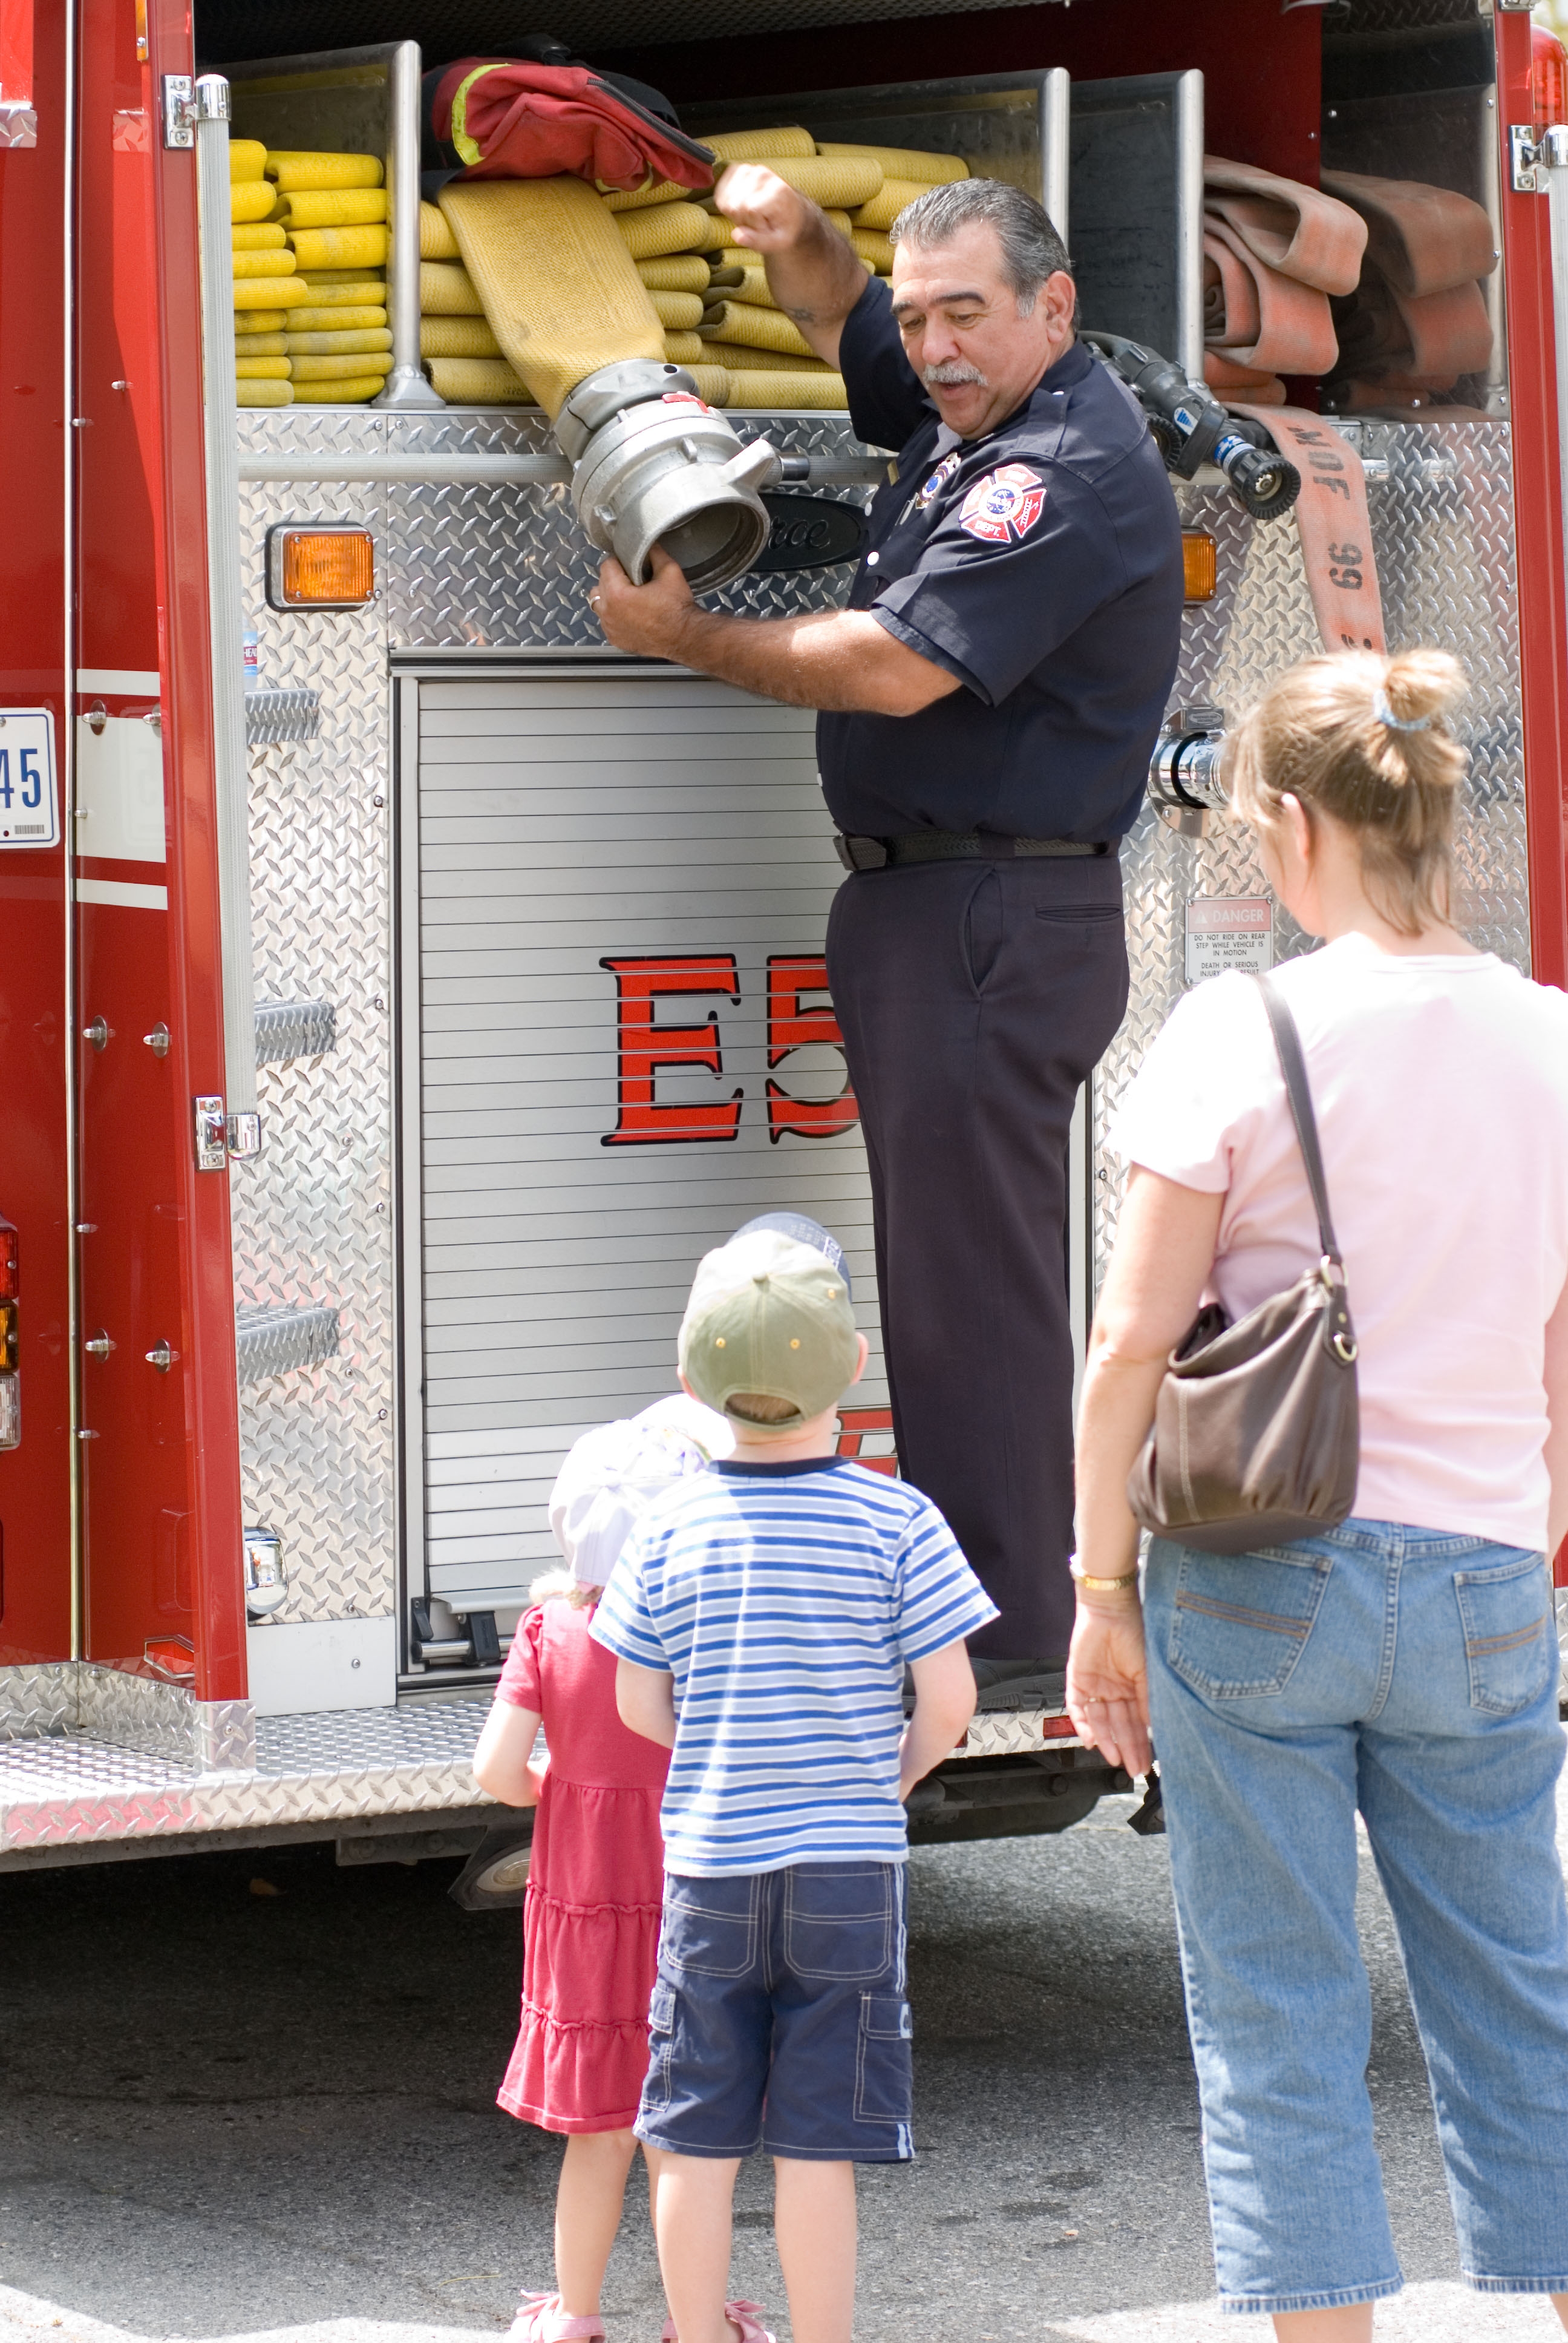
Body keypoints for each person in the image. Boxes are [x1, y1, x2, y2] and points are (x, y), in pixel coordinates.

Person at [590, 171, 1185, 1687]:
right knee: (943, 1283)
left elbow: (897, 666)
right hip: (942, 904)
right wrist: (803, 243)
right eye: (921, 320)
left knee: (970, 1303)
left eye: (963, 315)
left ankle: (1005, 1660)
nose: (929, 349)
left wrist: (690, 640)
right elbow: (844, 318)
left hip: (989, 911)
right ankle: (985, 1633)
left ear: (1057, 306)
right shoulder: (968, 406)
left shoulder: (1056, 470)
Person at [1065, 647, 1568, 2338]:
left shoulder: (1239, 1029)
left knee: (1279, 2006)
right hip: (1491, 1574)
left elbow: (1131, 1343)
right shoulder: (1554, 1041)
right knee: (1519, 2000)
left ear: (1290, 827)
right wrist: (1529, 1530)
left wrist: (1100, 1591)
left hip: (1266, 1570)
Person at [590, 1217, 997, 2343]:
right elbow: (952, 1702)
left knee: (692, 2134)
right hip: (848, 1872)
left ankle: (696, 2331)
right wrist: (886, 1780)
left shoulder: (668, 1528)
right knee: (821, 2145)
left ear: (690, 1382)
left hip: (713, 1869)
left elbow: (635, 1702)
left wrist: (722, 1761)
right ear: (855, 1371)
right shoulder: (898, 1520)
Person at [471, 1394, 733, 2343]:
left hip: (585, 1903)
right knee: (681, 2134)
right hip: (689, 1901)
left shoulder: (548, 1634)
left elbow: (497, 1771)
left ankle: (576, 2317)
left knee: (600, 2135)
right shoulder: (700, 1639)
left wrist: (557, 1785)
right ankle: (696, 2324)